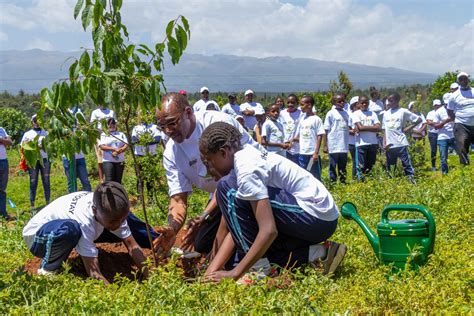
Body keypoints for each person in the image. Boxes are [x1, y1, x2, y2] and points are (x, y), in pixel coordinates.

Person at [199, 122, 346, 283]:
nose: (209, 171)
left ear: (222, 153)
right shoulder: (243, 161)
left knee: (226, 188)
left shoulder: (245, 168)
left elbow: (269, 230)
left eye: (208, 163)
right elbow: (234, 233)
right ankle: (321, 253)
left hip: (314, 216)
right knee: (259, 250)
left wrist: (235, 273)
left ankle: (258, 271)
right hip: (318, 221)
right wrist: (210, 272)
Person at [154, 92, 261, 258]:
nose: (168, 131)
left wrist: (204, 215)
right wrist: (173, 228)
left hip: (251, 183)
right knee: (202, 242)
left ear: (188, 112)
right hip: (221, 195)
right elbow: (178, 199)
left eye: (172, 123)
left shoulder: (217, 125)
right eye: (162, 127)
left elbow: (234, 179)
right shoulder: (171, 153)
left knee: (237, 229)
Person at [22, 182, 159, 284]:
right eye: (113, 221)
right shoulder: (84, 222)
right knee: (70, 230)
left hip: (87, 223)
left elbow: (132, 245)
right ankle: (48, 269)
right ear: (94, 211)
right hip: (38, 237)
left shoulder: (110, 208)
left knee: (127, 220)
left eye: (120, 220)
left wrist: (152, 278)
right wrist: (113, 295)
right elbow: (93, 271)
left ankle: (159, 243)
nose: (117, 225)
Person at [382, 92, 421, 183]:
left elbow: (418, 119)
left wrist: (408, 128)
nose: (389, 103)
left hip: (401, 143)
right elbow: (385, 130)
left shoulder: (403, 111)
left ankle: (411, 182)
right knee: (391, 166)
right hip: (390, 145)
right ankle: (392, 184)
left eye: (391, 101)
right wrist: (384, 143)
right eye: (388, 101)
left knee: (406, 164)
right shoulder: (386, 114)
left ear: (397, 101)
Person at [21, 115, 50, 209]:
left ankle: (48, 202)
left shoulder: (45, 133)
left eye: (38, 120)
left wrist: (42, 146)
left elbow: (49, 146)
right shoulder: (27, 134)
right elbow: (22, 146)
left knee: (46, 180)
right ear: (31, 122)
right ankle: (32, 204)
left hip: (44, 159)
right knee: (33, 181)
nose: (36, 122)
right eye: (34, 120)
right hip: (33, 161)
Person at [132, 113, 162, 202]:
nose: (144, 117)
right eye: (142, 115)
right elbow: (134, 140)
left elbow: (157, 139)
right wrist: (148, 140)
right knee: (139, 178)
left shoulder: (154, 127)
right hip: (139, 155)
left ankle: (150, 199)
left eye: (147, 114)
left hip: (151, 156)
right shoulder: (136, 128)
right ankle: (140, 199)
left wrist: (143, 141)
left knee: (150, 178)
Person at [446, 72, 474, 165]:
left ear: (468, 80)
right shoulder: (454, 96)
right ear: (458, 81)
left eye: (465, 79)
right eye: (461, 79)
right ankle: (465, 168)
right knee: (462, 147)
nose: (464, 81)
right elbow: (450, 111)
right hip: (462, 125)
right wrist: (457, 121)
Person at [295, 95, 325, 181]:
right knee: (305, 174)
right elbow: (300, 136)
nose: (300, 107)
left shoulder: (316, 119)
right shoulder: (302, 119)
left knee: (315, 174)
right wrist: (292, 141)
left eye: (302, 104)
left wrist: (316, 153)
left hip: (312, 154)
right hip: (303, 153)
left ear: (309, 105)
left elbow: (320, 136)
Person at [62, 105, 92, 193]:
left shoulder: (78, 111)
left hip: (80, 157)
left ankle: (89, 200)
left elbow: (83, 126)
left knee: (85, 180)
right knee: (71, 182)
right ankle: (72, 202)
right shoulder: (63, 110)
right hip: (67, 158)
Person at [352, 95, 382, 177]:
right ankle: (360, 183)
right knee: (361, 166)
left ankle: (369, 182)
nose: (364, 104)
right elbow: (360, 128)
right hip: (361, 144)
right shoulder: (355, 114)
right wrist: (373, 127)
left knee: (370, 166)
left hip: (373, 143)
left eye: (366, 103)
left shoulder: (373, 114)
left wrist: (364, 128)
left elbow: (379, 128)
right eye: (362, 103)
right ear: (358, 104)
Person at [324, 94, 350, 183]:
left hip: (344, 144)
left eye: (343, 101)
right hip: (333, 144)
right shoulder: (330, 113)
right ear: (334, 102)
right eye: (339, 101)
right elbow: (326, 130)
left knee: (343, 165)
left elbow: (348, 127)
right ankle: (333, 182)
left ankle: (343, 181)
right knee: (333, 165)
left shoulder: (346, 113)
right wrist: (325, 145)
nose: (342, 103)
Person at [90, 104, 116, 183]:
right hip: (100, 136)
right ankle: (101, 179)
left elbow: (115, 124)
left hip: (111, 136)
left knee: (111, 155)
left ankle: (111, 176)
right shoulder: (95, 112)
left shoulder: (111, 112)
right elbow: (92, 125)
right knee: (100, 158)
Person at [99, 118, 128, 183]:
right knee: (109, 180)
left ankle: (117, 193)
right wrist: (114, 149)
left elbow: (126, 144)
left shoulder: (121, 134)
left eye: (113, 123)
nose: (112, 125)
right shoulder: (103, 134)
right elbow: (102, 146)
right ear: (107, 125)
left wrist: (119, 151)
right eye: (109, 124)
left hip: (120, 161)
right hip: (108, 161)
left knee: (118, 181)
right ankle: (108, 193)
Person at [431, 99, 456, 174]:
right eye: (446, 103)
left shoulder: (455, 109)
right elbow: (435, 126)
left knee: (463, 153)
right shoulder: (438, 111)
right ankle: (445, 174)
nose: (447, 105)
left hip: (454, 136)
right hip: (443, 137)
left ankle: (466, 171)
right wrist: (446, 121)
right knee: (443, 158)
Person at [279, 94, 302, 164]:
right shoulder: (281, 113)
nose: (290, 104)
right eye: (288, 102)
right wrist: (284, 142)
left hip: (298, 147)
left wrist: (295, 140)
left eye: (292, 102)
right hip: (285, 147)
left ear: (297, 103)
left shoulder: (301, 114)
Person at [0, 126, 14, 221]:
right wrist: (3, 140)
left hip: (3, 161)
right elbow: (6, 142)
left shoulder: (1, 129)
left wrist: (1, 139)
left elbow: (10, 143)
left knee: (2, 189)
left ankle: (3, 213)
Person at [425, 100, 442, 171]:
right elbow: (428, 121)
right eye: (435, 105)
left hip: (441, 133)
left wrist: (434, 123)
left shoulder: (443, 112)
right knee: (434, 150)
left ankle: (443, 164)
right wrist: (437, 124)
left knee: (442, 150)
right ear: (433, 105)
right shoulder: (430, 113)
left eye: (438, 105)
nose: (436, 106)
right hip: (432, 133)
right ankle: (433, 165)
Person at [347, 97, 359, 180]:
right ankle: (355, 178)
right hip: (352, 142)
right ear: (353, 105)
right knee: (356, 161)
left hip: (361, 141)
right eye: (358, 103)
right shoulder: (349, 115)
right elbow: (347, 129)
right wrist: (355, 131)